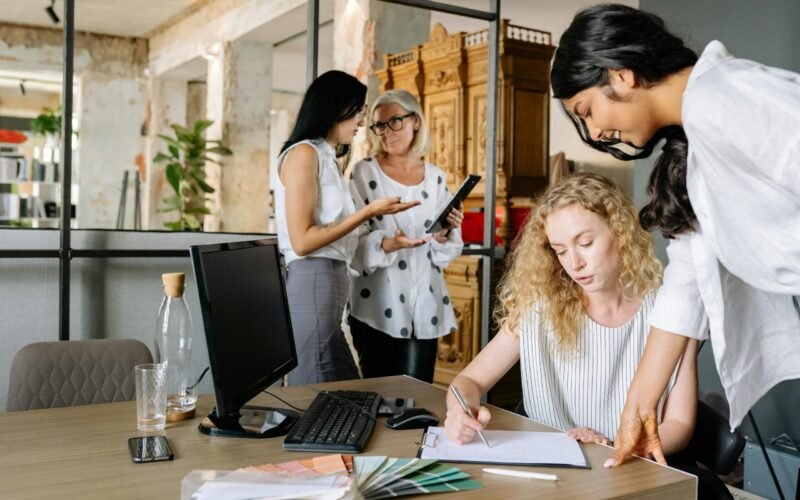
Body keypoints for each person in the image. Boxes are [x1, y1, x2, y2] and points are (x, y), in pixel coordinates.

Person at [550, 4, 800, 467]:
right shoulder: (694, 139)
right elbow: (685, 287)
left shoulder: (725, 96)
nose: (597, 130)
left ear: (620, 75)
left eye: (587, 110)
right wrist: (639, 410)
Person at [444, 173, 698, 469]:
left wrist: (618, 447)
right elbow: (469, 381)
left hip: (629, 469)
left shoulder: (671, 309)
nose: (574, 263)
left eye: (586, 243)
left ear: (620, 231)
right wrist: (460, 412)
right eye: (561, 251)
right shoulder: (538, 308)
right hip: (550, 472)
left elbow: (679, 424)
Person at [275, 71, 419, 385]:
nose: (361, 121)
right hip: (312, 280)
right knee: (322, 395)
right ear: (333, 108)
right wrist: (369, 211)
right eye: (357, 112)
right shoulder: (304, 154)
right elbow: (302, 241)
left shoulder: (325, 157)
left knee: (341, 393)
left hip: (327, 285)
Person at [347, 89, 464, 383]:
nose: (386, 132)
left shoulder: (436, 177)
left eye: (394, 122)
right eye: (379, 125)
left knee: (418, 402)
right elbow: (351, 243)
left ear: (415, 121)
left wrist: (445, 235)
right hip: (376, 306)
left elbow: (446, 252)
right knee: (378, 399)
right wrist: (389, 244)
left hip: (425, 305)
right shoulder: (364, 173)